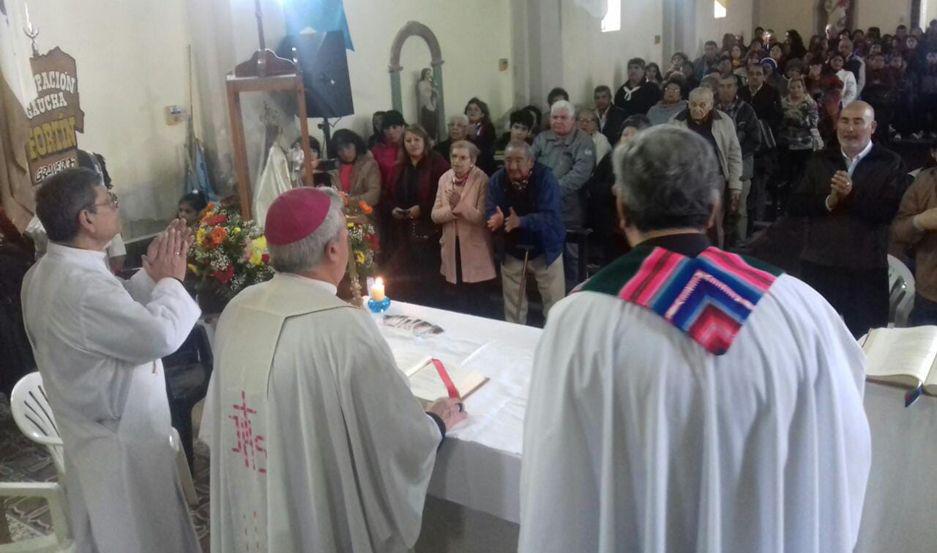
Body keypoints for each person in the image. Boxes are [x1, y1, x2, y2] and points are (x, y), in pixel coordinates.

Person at [518, 125, 870, 553]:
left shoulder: (577, 322)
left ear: (622, 207)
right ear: (713, 209)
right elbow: (843, 443)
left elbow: (557, 481)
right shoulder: (802, 309)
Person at [208, 186, 466, 553]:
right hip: (310, 518)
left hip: (251, 496)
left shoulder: (239, 308)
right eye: (345, 235)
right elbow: (394, 435)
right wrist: (435, 424)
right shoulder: (344, 329)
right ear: (333, 250)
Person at [21, 168, 202, 552]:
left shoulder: (44, 273)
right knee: (139, 538)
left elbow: (111, 320)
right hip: (120, 443)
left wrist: (151, 277)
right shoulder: (82, 285)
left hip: (95, 431)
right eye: (109, 201)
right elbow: (159, 336)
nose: (116, 207)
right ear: (86, 218)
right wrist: (171, 281)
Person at [788, 101, 909, 337]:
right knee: (815, 336)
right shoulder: (820, 160)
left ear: (872, 127)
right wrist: (828, 202)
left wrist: (850, 196)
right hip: (819, 264)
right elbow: (795, 204)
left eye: (857, 122)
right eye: (844, 121)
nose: (849, 128)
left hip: (866, 267)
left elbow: (887, 212)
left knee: (866, 340)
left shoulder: (890, 162)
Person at [486, 141, 565, 324]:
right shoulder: (497, 179)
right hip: (512, 248)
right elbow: (490, 208)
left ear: (531, 162)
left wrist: (520, 221)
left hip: (546, 248)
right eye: (508, 160)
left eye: (519, 160)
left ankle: (553, 342)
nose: (512, 166)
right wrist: (494, 218)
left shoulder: (546, 178)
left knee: (554, 306)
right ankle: (514, 342)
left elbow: (551, 217)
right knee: (513, 307)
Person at [530, 100, 596, 289]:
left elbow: (579, 175)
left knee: (571, 256)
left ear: (573, 120)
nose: (558, 121)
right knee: (545, 255)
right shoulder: (542, 138)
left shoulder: (584, 141)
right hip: (542, 208)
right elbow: (528, 163)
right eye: (554, 117)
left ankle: (574, 292)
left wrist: (550, 191)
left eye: (563, 117)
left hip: (570, 209)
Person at [384, 125, 450, 305]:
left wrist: (422, 208)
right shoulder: (399, 167)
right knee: (403, 274)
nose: (413, 144)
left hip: (429, 230)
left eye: (417, 140)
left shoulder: (438, 164)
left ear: (425, 141)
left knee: (428, 277)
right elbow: (388, 195)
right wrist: (393, 209)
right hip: (403, 229)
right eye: (408, 141)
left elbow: (444, 196)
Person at [670, 87, 743, 248]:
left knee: (715, 223)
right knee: (688, 222)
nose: (697, 108)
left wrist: (736, 186)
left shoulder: (724, 121)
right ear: (688, 104)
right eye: (694, 104)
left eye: (702, 105)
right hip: (687, 179)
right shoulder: (676, 121)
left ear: (711, 105)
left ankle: (716, 255)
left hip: (714, 177)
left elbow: (734, 154)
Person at [431, 140, 496, 315]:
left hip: (474, 247)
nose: (457, 161)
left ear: (472, 160)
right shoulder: (444, 178)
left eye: (463, 157)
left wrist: (459, 206)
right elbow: (435, 215)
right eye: (454, 156)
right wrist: (454, 209)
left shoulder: (482, 179)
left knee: (478, 300)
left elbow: (482, 218)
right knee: (457, 300)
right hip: (452, 246)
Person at [717, 74, 762, 245]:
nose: (726, 90)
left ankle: (739, 244)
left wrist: (735, 155)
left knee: (739, 207)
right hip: (719, 165)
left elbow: (755, 139)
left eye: (729, 86)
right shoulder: (713, 109)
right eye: (722, 86)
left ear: (736, 88)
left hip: (742, 164)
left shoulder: (746, 110)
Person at [892, 154, 937, 325]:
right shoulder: (924, 182)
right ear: (934, 153)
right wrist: (920, 221)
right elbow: (898, 231)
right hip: (930, 295)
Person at [777, 77, 822, 216]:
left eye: (798, 87)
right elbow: (778, 120)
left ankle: (800, 207)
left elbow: (814, 122)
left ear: (803, 88)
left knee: (801, 177)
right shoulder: (783, 102)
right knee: (786, 178)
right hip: (786, 144)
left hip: (804, 146)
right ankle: (783, 207)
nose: (795, 90)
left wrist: (798, 119)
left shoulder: (810, 103)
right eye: (792, 87)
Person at [328, 128, 381, 208]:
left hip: (364, 213)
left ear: (356, 145)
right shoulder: (334, 167)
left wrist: (348, 201)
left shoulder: (369, 164)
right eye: (340, 149)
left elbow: (373, 196)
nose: (345, 153)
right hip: (339, 213)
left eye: (348, 147)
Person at [371, 109, 406, 189]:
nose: (390, 132)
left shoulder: (412, 145)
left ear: (403, 127)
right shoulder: (377, 150)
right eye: (386, 128)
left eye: (394, 127)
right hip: (385, 194)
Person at [464, 97, 497, 174]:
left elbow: (488, 148)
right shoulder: (462, 127)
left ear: (482, 114)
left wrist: (474, 137)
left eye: (476, 109)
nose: (472, 112)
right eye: (469, 109)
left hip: (484, 165)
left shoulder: (489, 127)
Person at [417, 67, 438, 140]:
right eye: (427, 73)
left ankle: (434, 138)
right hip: (426, 105)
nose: (429, 75)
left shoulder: (431, 83)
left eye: (430, 73)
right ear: (424, 74)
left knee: (434, 125)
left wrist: (433, 88)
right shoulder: (421, 83)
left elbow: (436, 94)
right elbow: (423, 94)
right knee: (427, 125)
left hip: (432, 105)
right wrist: (430, 88)